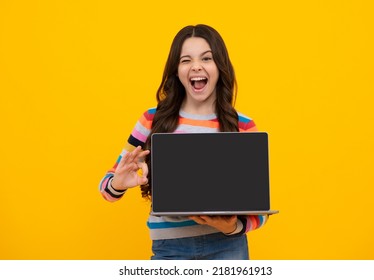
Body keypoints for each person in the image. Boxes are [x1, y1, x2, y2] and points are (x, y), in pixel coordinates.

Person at [99, 24, 270, 260]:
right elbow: (106, 187)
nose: (196, 66)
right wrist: (118, 183)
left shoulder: (243, 126)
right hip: (170, 249)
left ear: (220, 67)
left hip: (228, 247)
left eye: (207, 58)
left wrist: (232, 227)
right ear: (176, 70)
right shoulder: (152, 120)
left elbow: (259, 207)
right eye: (186, 60)